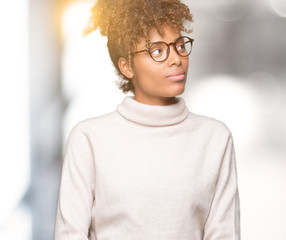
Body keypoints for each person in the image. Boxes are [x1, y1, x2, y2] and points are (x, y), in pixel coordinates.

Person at [54, 0, 240, 239]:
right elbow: (70, 234)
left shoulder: (214, 138)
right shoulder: (89, 138)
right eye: (158, 51)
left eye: (180, 46)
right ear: (127, 66)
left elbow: (224, 234)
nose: (176, 59)